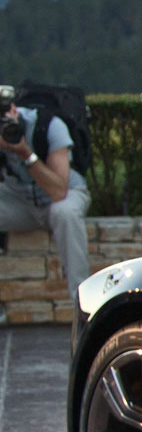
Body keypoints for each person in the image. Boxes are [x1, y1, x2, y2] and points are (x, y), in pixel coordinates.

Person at [0, 83, 90, 307]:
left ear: (14, 110)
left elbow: (59, 191)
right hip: (19, 199)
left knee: (65, 213)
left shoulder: (50, 126)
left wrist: (25, 152)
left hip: (63, 194)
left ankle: (82, 303)